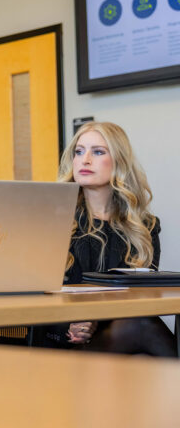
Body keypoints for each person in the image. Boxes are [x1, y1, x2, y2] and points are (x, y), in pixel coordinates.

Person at [42, 121, 176, 356]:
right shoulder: (52, 221)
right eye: (79, 151)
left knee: (139, 325)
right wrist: (69, 324)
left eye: (98, 152)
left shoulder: (144, 227)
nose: (84, 160)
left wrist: (97, 318)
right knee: (141, 327)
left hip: (120, 333)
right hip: (62, 342)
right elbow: (32, 296)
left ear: (119, 162)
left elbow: (142, 300)